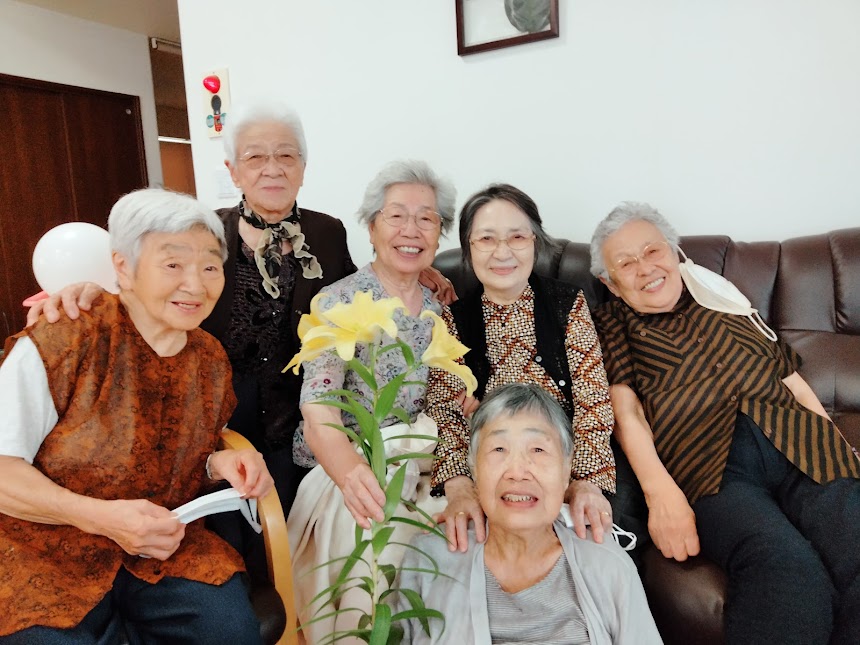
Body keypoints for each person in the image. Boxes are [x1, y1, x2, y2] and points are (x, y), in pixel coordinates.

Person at [26, 100, 455, 514]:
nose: (273, 168)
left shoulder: (328, 232)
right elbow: (152, 286)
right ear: (233, 170)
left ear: (303, 167)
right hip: (213, 426)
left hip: (298, 422)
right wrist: (94, 287)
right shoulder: (206, 233)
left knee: (289, 537)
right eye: (255, 157)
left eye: (286, 155)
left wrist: (416, 269)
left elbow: (356, 293)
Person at [0, 189, 273, 643]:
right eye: (173, 264)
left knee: (231, 631)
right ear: (123, 267)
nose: (196, 285)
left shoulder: (208, 357)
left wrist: (218, 463)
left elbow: (182, 451)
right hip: (43, 549)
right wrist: (99, 517)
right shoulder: (65, 337)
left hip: (161, 548)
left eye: (210, 267)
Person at [589, 202, 860, 645]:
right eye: (626, 263)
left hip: (801, 444)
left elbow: (790, 380)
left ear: (674, 252)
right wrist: (660, 495)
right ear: (610, 283)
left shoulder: (723, 298)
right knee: (787, 569)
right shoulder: (611, 324)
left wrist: (836, 446)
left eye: (653, 251)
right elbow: (626, 413)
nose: (645, 268)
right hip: (712, 470)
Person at [287, 160, 460, 644]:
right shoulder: (336, 302)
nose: (411, 230)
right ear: (371, 227)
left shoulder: (441, 308)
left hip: (423, 460)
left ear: (439, 233)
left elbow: (448, 396)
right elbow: (318, 410)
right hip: (349, 459)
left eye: (426, 218)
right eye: (396, 216)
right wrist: (352, 475)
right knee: (371, 537)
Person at [424, 184, 616, 552]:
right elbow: (445, 411)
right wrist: (459, 486)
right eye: (486, 239)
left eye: (516, 237)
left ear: (535, 242)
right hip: (491, 471)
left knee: (595, 545)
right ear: (468, 248)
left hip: (558, 464)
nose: (502, 252)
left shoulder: (567, 304)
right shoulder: (452, 320)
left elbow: (593, 400)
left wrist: (585, 482)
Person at [396, 383, 662, 644]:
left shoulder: (606, 565)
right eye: (498, 449)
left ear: (566, 469)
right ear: (474, 468)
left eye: (538, 450)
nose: (517, 471)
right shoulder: (428, 560)